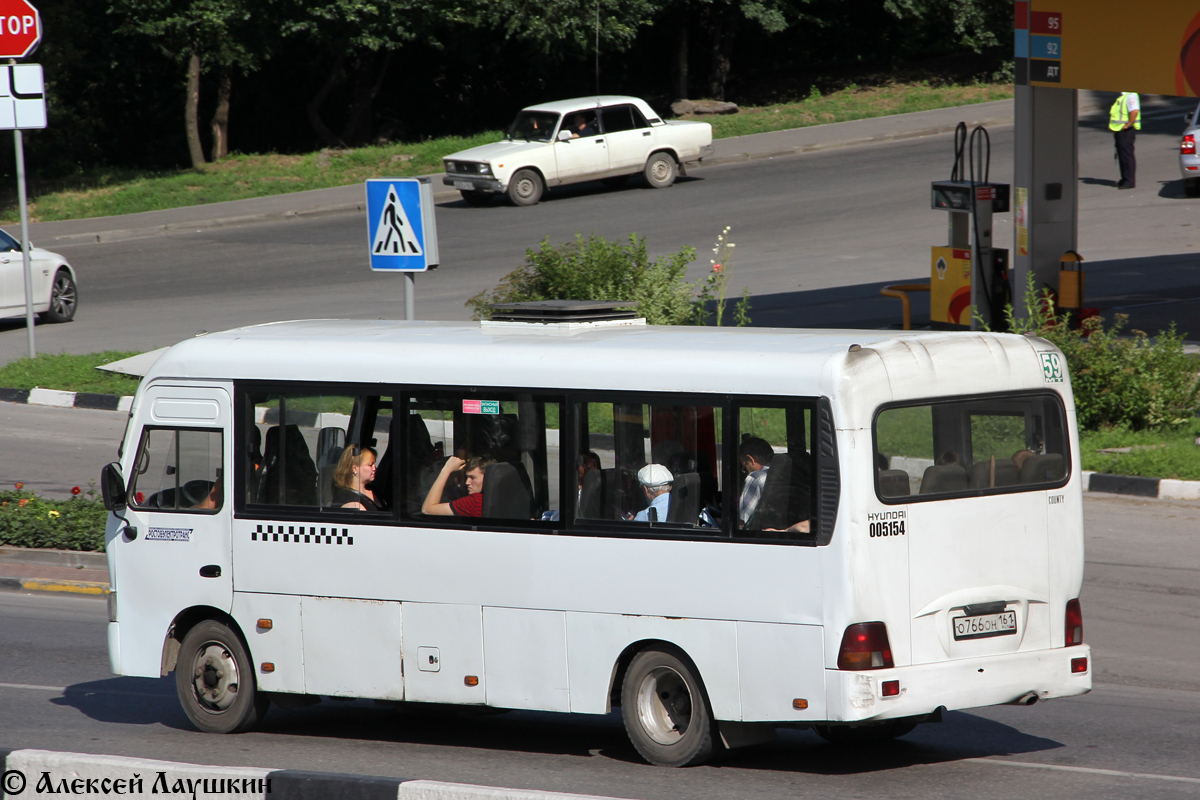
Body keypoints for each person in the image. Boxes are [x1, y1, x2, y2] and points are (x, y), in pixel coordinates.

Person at [422, 454, 495, 517]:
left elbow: (427, 510)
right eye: (467, 477)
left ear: (488, 478)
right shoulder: (502, 496)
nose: (467, 482)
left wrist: (446, 470)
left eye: (473, 478)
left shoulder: (475, 501)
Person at [737, 437, 775, 528]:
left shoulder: (755, 478)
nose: (747, 471)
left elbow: (743, 523)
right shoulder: (787, 474)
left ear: (750, 459)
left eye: (745, 467)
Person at [332, 445, 384, 511]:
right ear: (354, 468)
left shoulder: (373, 490)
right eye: (370, 465)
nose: (375, 468)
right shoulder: (347, 497)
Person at [1110, 92, 1140, 189]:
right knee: (1122, 155)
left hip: (1126, 131)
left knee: (1127, 155)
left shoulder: (1131, 95)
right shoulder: (1123, 96)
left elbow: (1134, 111)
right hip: (1120, 130)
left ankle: (1129, 181)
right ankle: (1124, 178)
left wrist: (1128, 124)